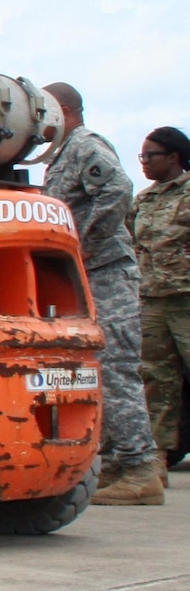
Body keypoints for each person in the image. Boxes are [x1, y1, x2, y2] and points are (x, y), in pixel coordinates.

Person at [40, 83, 161, 504]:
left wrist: (84, 245)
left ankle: (140, 467)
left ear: (65, 109)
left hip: (106, 273)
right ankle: (116, 462)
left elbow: (117, 190)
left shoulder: (84, 146)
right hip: (89, 276)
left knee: (115, 368)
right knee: (95, 369)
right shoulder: (62, 154)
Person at [128, 124, 190, 490]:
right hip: (151, 300)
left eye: (150, 155)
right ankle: (155, 462)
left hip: (186, 298)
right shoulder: (145, 200)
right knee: (156, 380)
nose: (144, 163)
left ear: (174, 157)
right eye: (141, 156)